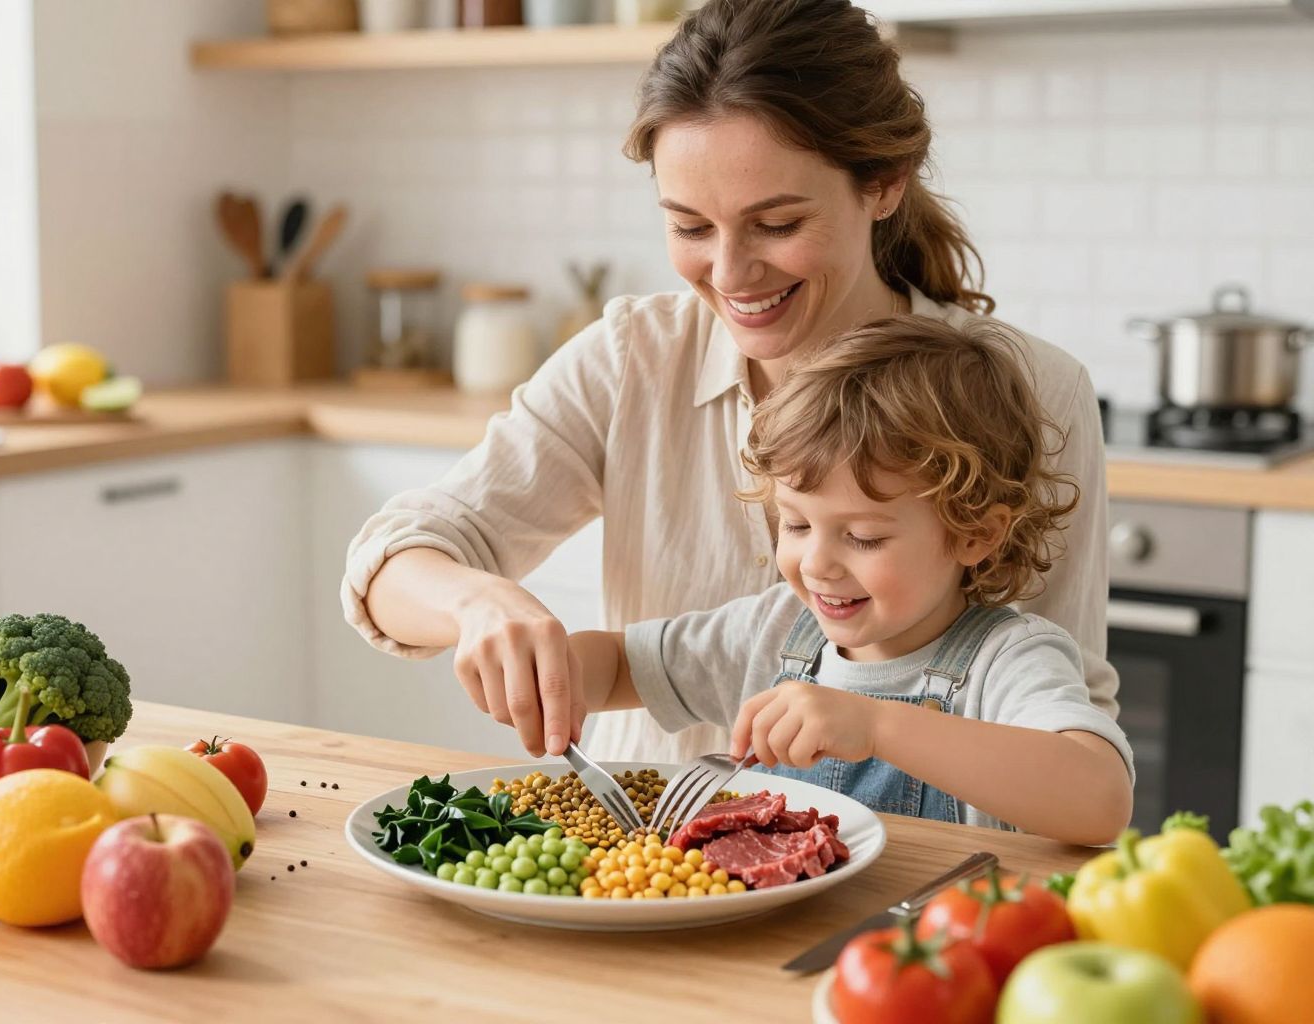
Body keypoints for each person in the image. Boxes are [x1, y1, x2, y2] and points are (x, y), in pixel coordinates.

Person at [342, 0, 1116, 765]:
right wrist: (480, 603)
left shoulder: (1033, 390)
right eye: (689, 226)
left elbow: (1070, 740)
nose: (730, 272)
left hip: (912, 884)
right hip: (646, 869)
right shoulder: (631, 359)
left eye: (777, 225)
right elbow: (395, 558)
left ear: (883, 183)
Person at [563, 316, 1134, 844]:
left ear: (974, 534)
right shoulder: (775, 629)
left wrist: (877, 724)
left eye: (863, 537)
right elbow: (618, 666)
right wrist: (551, 674)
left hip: (928, 945)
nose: (816, 563)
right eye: (796, 524)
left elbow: (1100, 799)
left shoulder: (1008, 660)